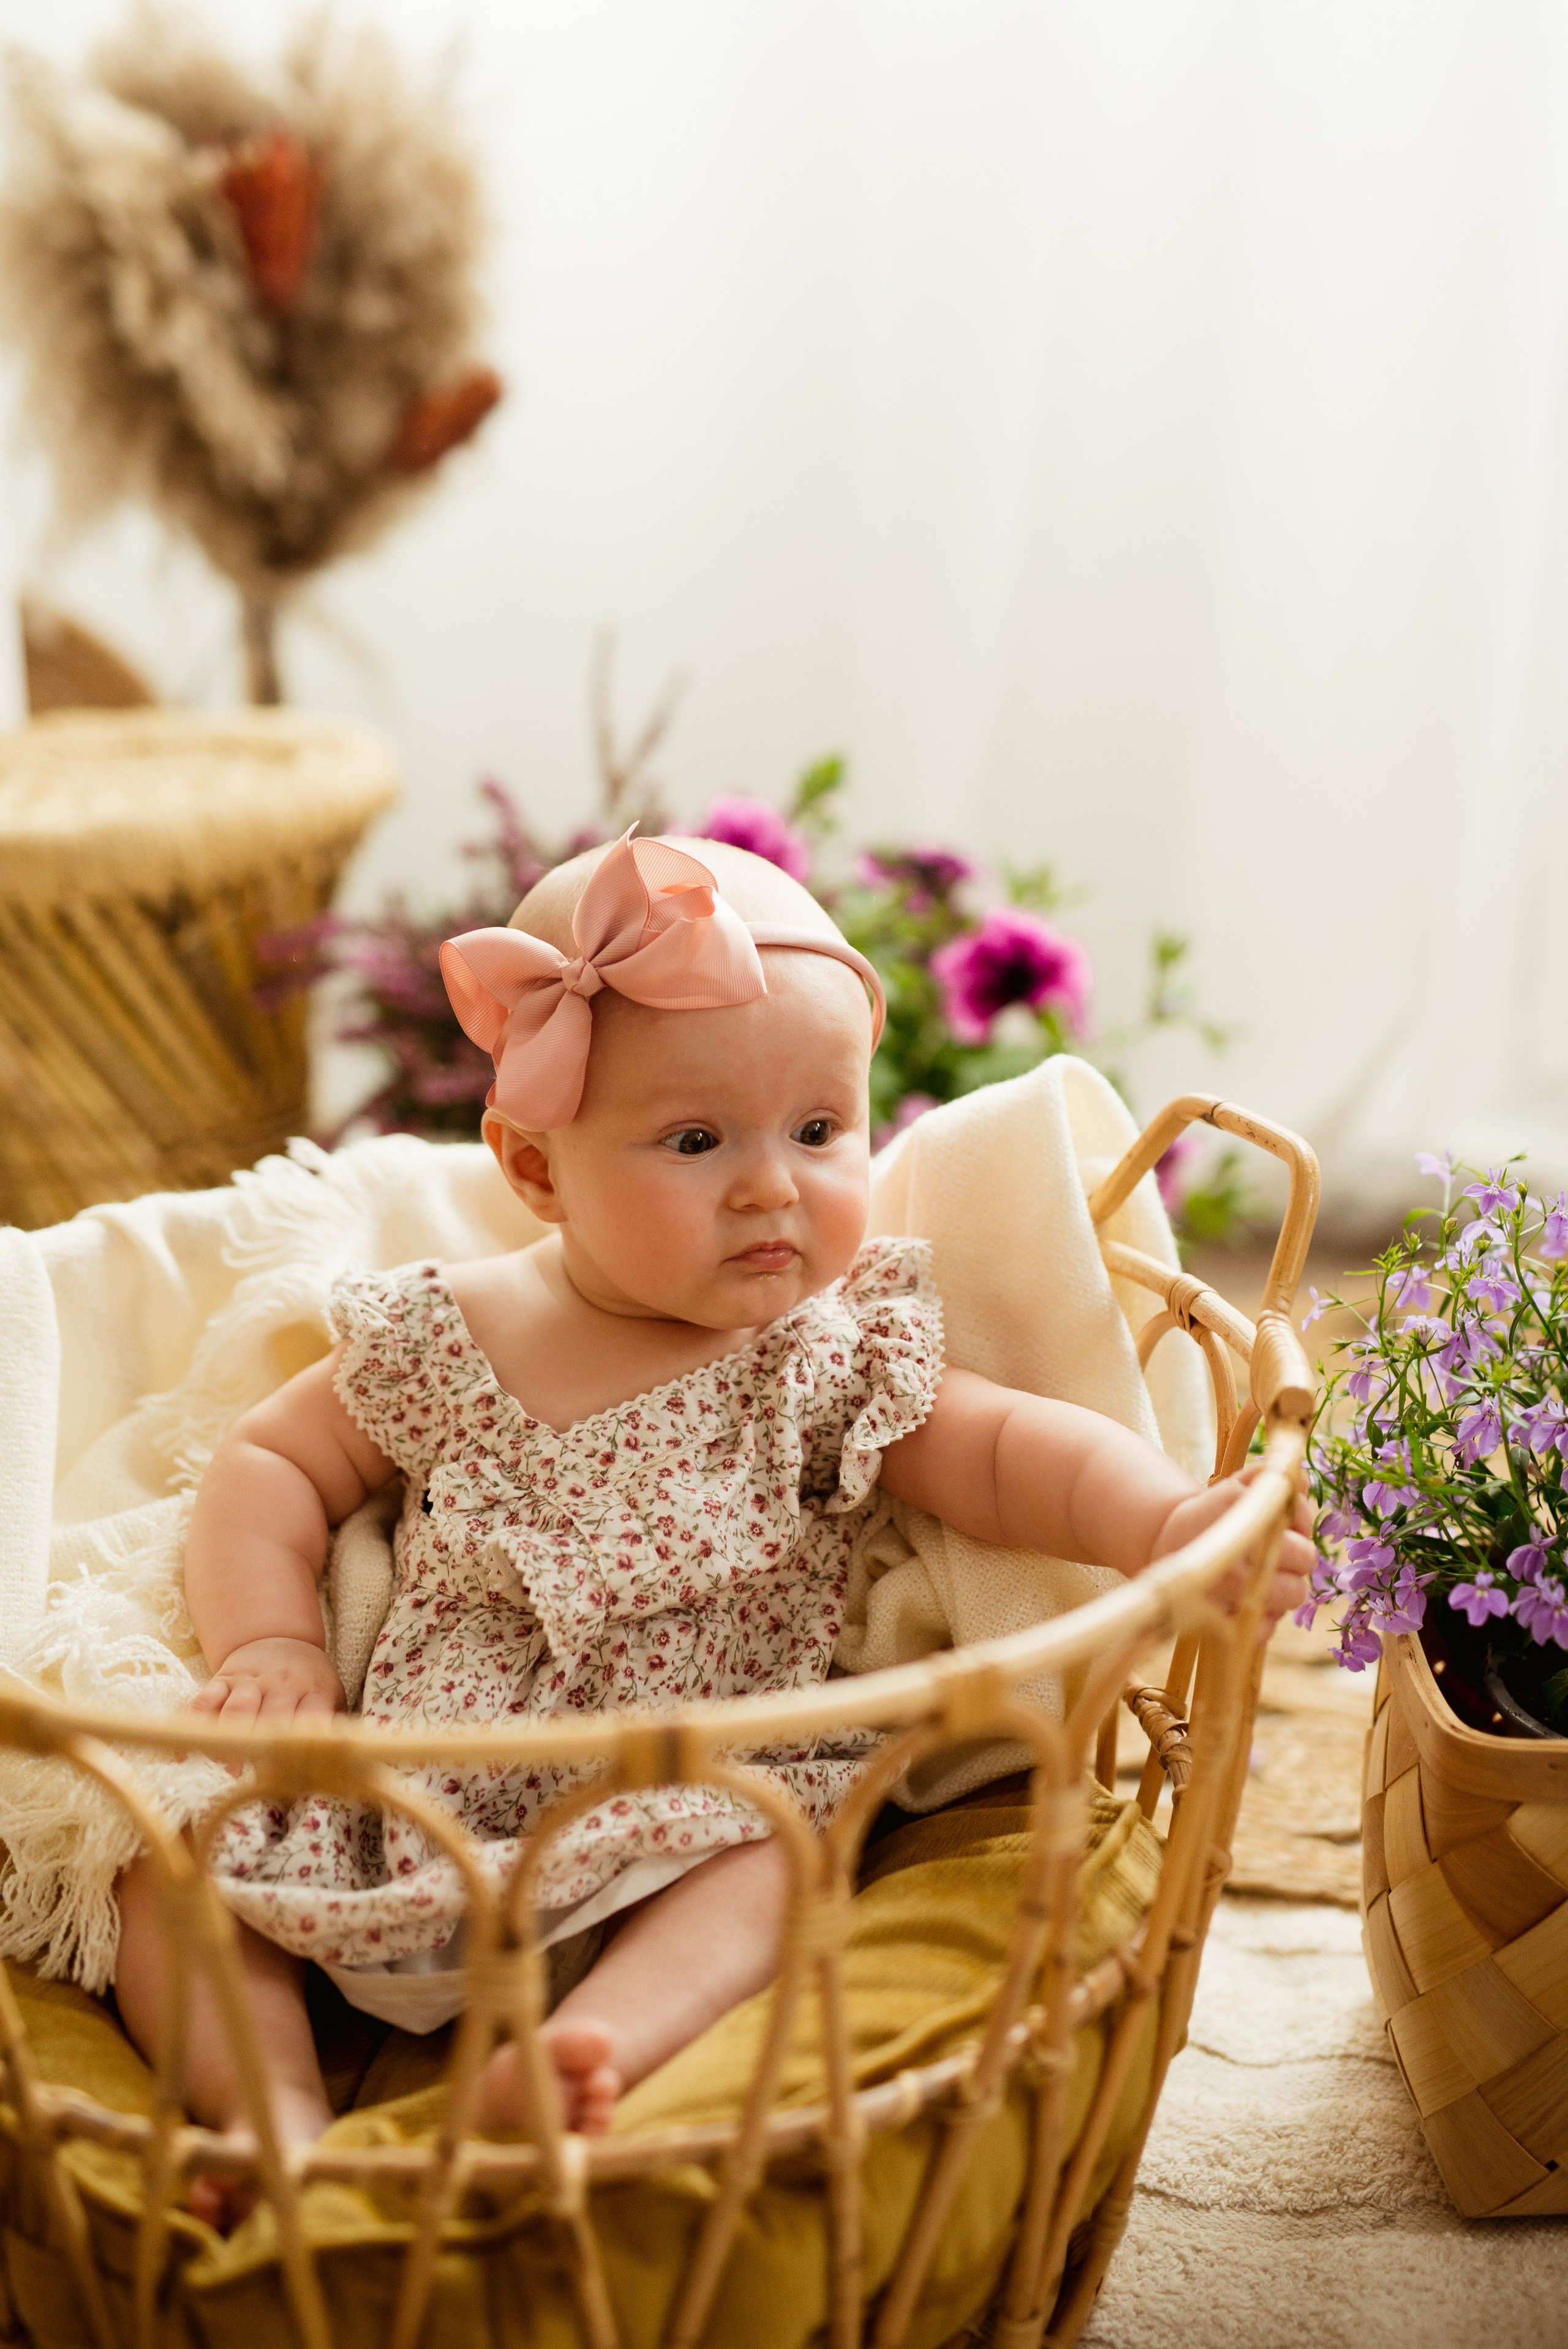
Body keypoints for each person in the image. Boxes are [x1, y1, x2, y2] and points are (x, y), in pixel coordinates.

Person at [111, 830, 1311, 2214]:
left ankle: (587, 2048)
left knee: (779, 1858)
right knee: (161, 1854)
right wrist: (275, 1646)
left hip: (678, 1807)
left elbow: (999, 1450)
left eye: (818, 1130)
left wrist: (1161, 1521)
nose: (771, 1185)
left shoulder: (821, 1349)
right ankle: (274, 2123)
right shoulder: (452, 1326)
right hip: (401, 1795)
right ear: (536, 1169)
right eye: (695, 1140)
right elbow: (271, 1462)